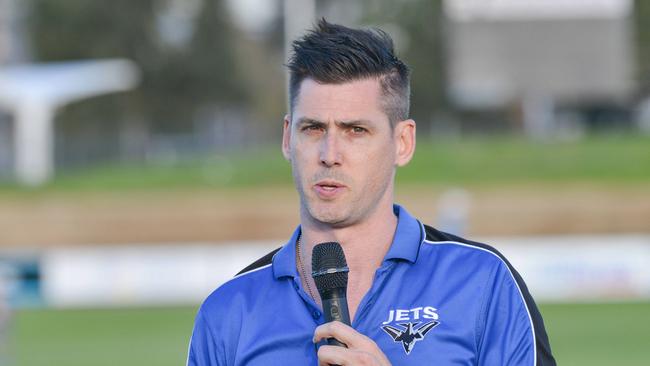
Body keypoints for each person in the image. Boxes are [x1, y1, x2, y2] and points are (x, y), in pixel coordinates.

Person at [188, 19, 556, 365]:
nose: (329, 155)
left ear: (403, 142)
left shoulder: (482, 283)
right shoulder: (227, 311)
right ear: (288, 138)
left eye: (356, 131)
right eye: (313, 129)